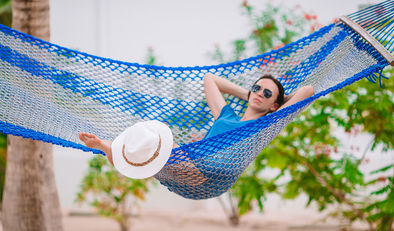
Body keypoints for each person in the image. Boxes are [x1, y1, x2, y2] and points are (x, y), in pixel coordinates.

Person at [79, 73, 314, 178]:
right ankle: (113, 150)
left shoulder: (266, 124)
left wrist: (275, 104)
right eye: (257, 88)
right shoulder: (227, 116)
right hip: (192, 160)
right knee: (145, 145)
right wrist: (250, 95)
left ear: (275, 105)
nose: (259, 93)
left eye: (266, 93)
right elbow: (210, 79)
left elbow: (307, 91)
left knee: (153, 146)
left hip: (210, 172)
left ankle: (113, 149)